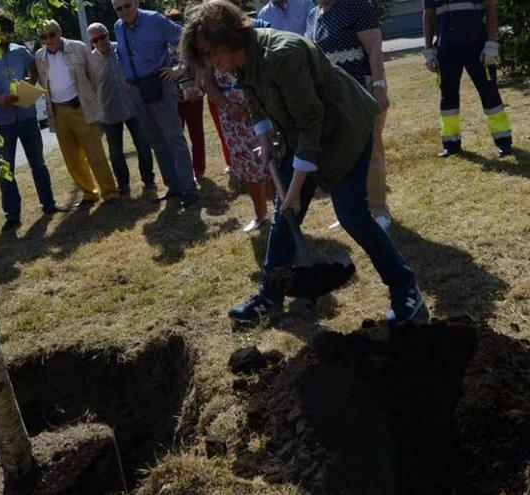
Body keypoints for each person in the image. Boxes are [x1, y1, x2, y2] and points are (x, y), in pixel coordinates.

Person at [181, 1, 426, 325]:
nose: (211, 64)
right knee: (285, 218)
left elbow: (313, 125)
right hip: (303, 134)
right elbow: (256, 104)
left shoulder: (283, 54)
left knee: (352, 215)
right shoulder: (241, 61)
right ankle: (269, 295)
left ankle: (405, 289)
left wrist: (294, 190)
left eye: (210, 53)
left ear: (228, 36)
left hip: (345, 131)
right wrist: (266, 141)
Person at [0, 9, 68, 231]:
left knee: (38, 164)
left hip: (27, 116)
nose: (7, 37)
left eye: (10, 32)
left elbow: (34, 70)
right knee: (6, 171)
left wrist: (27, 87)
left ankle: (49, 204)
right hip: (0, 123)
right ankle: (12, 215)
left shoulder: (20, 51)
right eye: (3, 32)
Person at [305, 0, 393, 230]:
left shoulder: (356, 6)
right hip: (333, 96)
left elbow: (374, 48)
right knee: (342, 154)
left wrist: (379, 86)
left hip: (361, 89)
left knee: (371, 148)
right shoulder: (314, 15)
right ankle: (351, 211)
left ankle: (378, 209)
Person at [112, 0, 199, 207]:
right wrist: (124, 73)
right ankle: (174, 187)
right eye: (118, 8)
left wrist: (181, 68)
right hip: (136, 90)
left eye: (127, 5)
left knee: (174, 139)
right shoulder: (118, 26)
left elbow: (185, 39)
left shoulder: (154, 20)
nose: (124, 11)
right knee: (156, 141)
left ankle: (188, 189)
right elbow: (122, 53)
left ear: (137, 2)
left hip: (160, 85)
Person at [34, 20, 118, 206]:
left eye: (52, 34)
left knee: (95, 154)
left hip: (80, 108)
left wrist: (88, 101)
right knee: (72, 158)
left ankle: (110, 192)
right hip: (58, 112)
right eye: (44, 37)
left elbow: (94, 77)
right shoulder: (39, 56)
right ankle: (89, 193)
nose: (49, 39)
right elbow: (42, 82)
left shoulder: (78, 48)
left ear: (60, 32)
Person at [422, 0, 512, 158]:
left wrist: (491, 43)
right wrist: (428, 49)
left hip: (477, 46)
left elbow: (491, 7)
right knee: (448, 97)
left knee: (489, 93)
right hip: (446, 50)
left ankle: (504, 141)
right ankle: (451, 144)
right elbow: (428, 16)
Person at [87, 22, 156, 195]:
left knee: (143, 144)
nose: (101, 41)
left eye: (103, 36)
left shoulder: (122, 50)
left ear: (108, 34)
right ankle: (123, 184)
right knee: (116, 151)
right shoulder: (90, 61)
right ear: (92, 42)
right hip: (108, 111)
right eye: (95, 40)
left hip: (132, 106)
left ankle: (149, 180)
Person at [204, 65, 271, 232]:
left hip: (260, 106)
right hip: (232, 117)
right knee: (246, 164)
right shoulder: (206, 50)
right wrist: (228, 106)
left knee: (272, 160)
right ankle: (260, 214)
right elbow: (209, 85)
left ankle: (284, 212)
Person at [164, 8, 207, 181]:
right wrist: (171, 90)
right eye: (170, 22)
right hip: (173, 97)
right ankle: (184, 171)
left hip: (193, 95)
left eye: (177, 21)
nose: (174, 25)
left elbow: (198, 67)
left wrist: (196, 88)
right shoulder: (162, 47)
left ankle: (199, 170)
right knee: (177, 136)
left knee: (197, 133)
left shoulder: (189, 45)